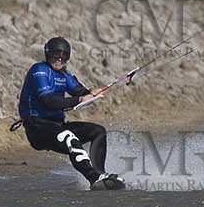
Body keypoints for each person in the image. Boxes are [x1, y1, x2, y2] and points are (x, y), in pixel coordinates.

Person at [17, 36, 125, 190]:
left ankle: (101, 175)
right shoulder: (39, 70)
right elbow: (49, 101)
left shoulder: (64, 75)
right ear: (48, 54)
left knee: (98, 131)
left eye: (64, 57)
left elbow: (79, 91)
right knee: (69, 137)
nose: (59, 59)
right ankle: (93, 178)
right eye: (55, 55)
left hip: (57, 126)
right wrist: (80, 99)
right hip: (38, 128)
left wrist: (90, 92)